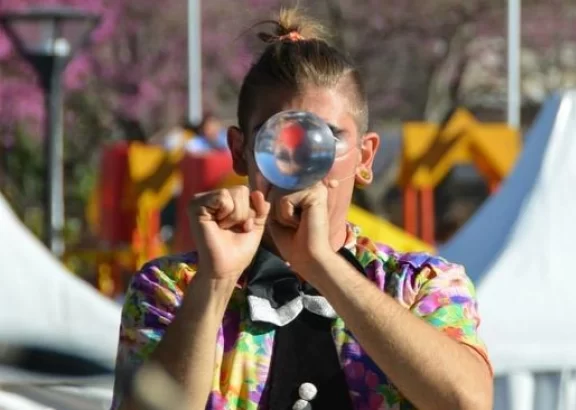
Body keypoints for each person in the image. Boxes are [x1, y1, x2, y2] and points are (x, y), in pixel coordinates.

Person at [112, 8, 493, 410]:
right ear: (241, 152)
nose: (301, 160)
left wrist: (322, 266)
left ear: (365, 157)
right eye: (276, 136)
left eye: (326, 138)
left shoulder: (419, 285)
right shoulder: (173, 287)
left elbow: (467, 402)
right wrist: (216, 282)